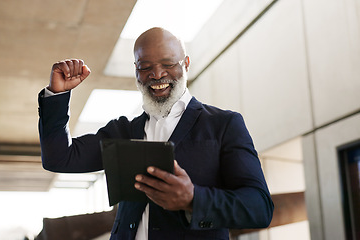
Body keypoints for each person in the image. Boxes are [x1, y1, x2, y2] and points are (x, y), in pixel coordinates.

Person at [38, 27, 274, 240]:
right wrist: (56, 96)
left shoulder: (224, 125)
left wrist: (193, 199)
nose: (157, 74)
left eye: (168, 63)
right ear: (136, 70)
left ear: (187, 63)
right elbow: (59, 157)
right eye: (145, 66)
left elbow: (259, 208)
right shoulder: (124, 131)